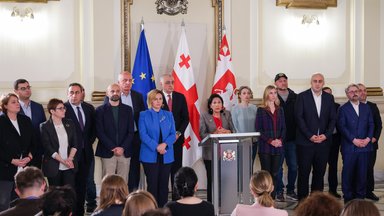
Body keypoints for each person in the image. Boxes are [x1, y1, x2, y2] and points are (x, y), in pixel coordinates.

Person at [295, 73, 336, 200]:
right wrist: (310, 135)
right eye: (315, 81)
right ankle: (302, 201)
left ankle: (316, 201)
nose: (317, 83)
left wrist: (326, 135)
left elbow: (333, 119)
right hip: (305, 143)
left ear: (323, 83)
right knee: (304, 172)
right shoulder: (302, 97)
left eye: (320, 81)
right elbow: (299, 118)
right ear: (311, 83)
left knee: (319, 173)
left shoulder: (329, 98)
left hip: (323, 143)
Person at [107, 71, 146, 192]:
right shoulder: (112, 97)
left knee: (134, 168)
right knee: (117, 170)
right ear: (118, 82)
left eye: (130, 80)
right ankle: (117, 196)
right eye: (124, 80)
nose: (128, 83)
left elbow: (143, 117)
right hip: (117, 140)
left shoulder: (138, 96)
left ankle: (133, 195)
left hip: (134, 137)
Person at [139, 89, 176, 207]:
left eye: (160, 99)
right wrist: (156, 147)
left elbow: (173, 133)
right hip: (150, 155)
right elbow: (143, 135)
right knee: (152, 185)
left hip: (166, 154)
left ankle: (163, 210)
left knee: (164, 185)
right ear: (150, 100)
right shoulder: (143, 115)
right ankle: (152, 210)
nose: (158, 101)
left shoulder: (168, 114)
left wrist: (164, 145)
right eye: (155, 99)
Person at [64, 83, 97, 215]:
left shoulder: (88, 108)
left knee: (83, 183)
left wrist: (88, 143)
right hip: (69, 155)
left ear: (82, 93)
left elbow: (94, 129)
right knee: (70, 185)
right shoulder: (63, 108)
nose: (74, 95)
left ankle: (80, 212)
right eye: (71, 92)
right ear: (68, 94)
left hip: (86, 152)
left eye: (77, 92)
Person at [338, 84, 374, 203]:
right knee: (348, 172)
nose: (354, 93)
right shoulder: (343, 109)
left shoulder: (366, 107)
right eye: (351, 91)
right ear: (347, 94)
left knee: (362, 173)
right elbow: (342, 127)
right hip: (350, 146)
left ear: (359, 93)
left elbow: (371, 124)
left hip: (364, 146)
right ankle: (348, 197)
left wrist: (368, 139)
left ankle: (360, 197)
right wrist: (354, 140)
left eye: (356, 91)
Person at [0, 93, 36, 211]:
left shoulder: (25, 120)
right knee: (4, 203)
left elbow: (34, 142)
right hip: (5, 168)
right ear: (5, 106)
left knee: (22, 204)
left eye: (17, 101)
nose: (17, 104)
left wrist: (29, 157)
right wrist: (12, 160)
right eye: (13, 102)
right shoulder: (1, 121)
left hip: (24, 168)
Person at [200, 93, 235, 202]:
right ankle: (211, 202)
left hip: (227, 152)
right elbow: (202, 134)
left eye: (219, 102)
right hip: (210, 152)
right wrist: (215, 133)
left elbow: (234, 130)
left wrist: (227, 131)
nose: (217, 105)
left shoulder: (227, 114)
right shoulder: (205, 116)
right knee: (212, 179)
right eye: (214, 103)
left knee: (225, 179)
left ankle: (224, 201)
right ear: (210, 105)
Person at [96, 83, 134, 182]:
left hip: (124, 151)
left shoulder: (128, 110)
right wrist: (113, 147)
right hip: (107, 151)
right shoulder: (100, 110)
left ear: (120, 92)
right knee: (108, 181)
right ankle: (108, 199)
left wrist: (122, 148)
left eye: (117, 91)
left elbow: (130, 132)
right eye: (112, 91)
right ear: (107, 93)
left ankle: (121, 198)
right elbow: (100, 132)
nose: (115, 93)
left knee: (123, 181)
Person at [159, 74, 189, 200]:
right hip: (162, 142)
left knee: (176, 171)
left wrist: (178, 133)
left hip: (176, 140)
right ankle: (162, 200)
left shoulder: (180, 97)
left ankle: (176, 200)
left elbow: (185, 118)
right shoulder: (156, 97)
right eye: (167, 82)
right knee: (163, 172)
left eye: (172, 82)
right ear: (161, 84)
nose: (170, 84)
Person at [255, 85, 285, 198]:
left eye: (275, 93)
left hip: (278, 146)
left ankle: (272, 197)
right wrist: (270, 141)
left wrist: (280, 140)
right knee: (266, 173)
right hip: (265, 147)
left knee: (275, 173)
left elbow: (284, 128)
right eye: (271, 93)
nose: (273, 95)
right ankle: (265, 197)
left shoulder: (280, 109)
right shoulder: (261, 110)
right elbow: (259, 129)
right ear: (266, 95)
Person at [40, 98, 78, 188]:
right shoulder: (44, 126)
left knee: (69, 193)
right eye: (60, 108)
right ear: (52, 111)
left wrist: (69, 159)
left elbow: (75, 143)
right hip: (53, 165)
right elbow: (48, 147)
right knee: (55, 193)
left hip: (69, 164)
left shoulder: (70, 123)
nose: (63, 110)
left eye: (64, 108)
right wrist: (62, 161)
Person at [274, 73, 298, 202]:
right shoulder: (273, 97)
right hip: (278, 139)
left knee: (293, 166)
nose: (283, 82)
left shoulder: (296, 97)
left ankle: (290, 190)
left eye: (285, 80)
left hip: (292, 139)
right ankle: (279, 191)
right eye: (280, 81)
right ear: (276, 84)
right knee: (278, 168)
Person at [13, 79, 47, 169]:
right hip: (19, 155)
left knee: (36, 181)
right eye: (23, 88)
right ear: (16, 91)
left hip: (37, 153)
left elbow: (43, 130)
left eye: (28, 87)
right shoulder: (12, 108)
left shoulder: (38, 107)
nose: (27, 90)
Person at [357, 83, 383, 201]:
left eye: (364, 90)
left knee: (368, 168)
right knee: (355, 168)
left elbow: (379, 125)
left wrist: (374, 138)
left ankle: (368, 191)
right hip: (356, 144)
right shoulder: (352, 106)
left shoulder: (373, 106)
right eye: (360, 90)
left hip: (371, 144)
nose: (362, 93)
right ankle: (355, 191)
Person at [322, 86, 342, 199]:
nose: (328, 96)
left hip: (334, 139)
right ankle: (318, 192)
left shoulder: (337, 107)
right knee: (320, 166)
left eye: (330, 94)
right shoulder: (318, 106)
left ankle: (333, 190)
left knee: (333, 165)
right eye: (326, 94)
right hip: (322, 139)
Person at [231, 86, 257, 163]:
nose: (246, 95)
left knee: (251, 163)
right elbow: (234, 125)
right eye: (244, 93)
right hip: (241, 141)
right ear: (240, 95)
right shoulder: (235, 109)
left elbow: (257, 124)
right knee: (242, 163)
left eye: (248, 93)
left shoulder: (254, 108)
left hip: (253, 141)